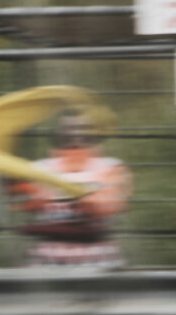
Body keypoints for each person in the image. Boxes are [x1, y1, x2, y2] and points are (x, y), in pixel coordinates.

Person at [10, 110, 133, 267]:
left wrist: (74, 194)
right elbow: (24, 202)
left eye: (82, 128)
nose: (75, 134)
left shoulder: (111, 167)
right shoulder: (39, 168)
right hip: (48, 262)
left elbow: (108, 205)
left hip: (100, 262)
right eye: (68, 128)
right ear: (57, 134)